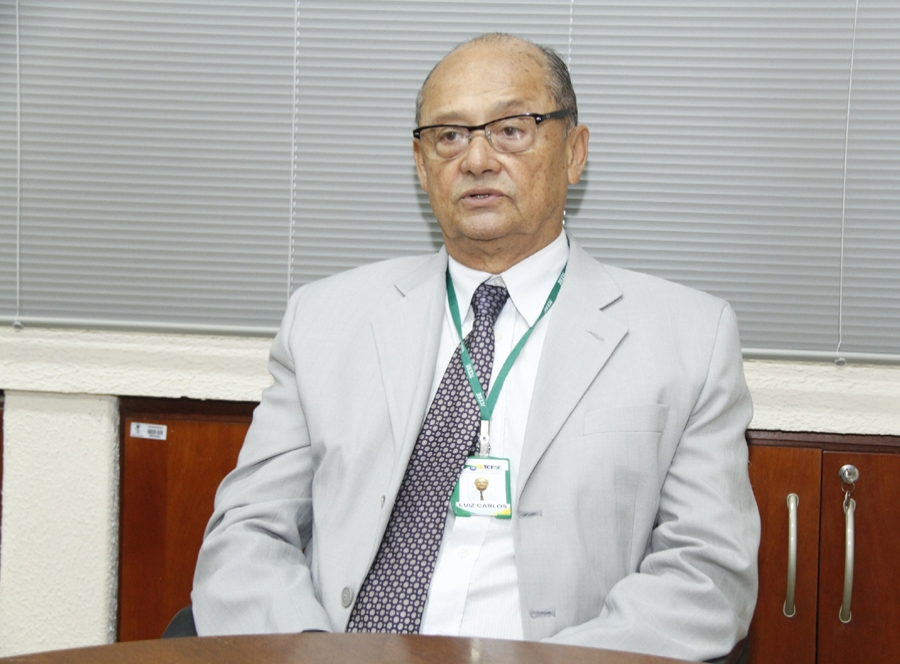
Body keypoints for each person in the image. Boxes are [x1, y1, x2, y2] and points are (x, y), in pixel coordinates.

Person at [192, 33, 759, 663]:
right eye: (450, 136)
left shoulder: (687, 338)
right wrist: (315, 653)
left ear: (574, 152)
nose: (478, 159)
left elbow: (707, 577)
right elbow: (247, 534)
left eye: (511, 130)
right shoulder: (324, 319)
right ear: (420, 163)